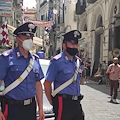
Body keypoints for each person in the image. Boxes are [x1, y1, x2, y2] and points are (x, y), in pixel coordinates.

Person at [0, 22, 45, 120]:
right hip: (13, 108)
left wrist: (41, 108)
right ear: (18, 39)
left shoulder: (35, 60)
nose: (29, 41)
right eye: (26, 38)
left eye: (31, 38)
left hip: (30, 107)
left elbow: (38, 84)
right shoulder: (7, 58)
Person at [44, 30, 84, 120]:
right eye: (71, 44)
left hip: (76, 101)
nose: (74, 47)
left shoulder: (78, 61)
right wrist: (52, 102)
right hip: (63, 101)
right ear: (64, 45)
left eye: (76, 45)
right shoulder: (57, 61)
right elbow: (47, 83)